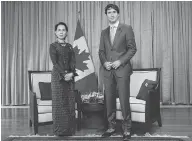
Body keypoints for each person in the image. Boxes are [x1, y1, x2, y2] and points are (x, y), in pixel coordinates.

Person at [98, 4, 137, 141]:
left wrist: (120, 61)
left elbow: (132, 49)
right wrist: (104, 63)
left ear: (118, 14)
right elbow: (101, 52)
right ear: (106, 15)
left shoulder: (126, 28)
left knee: (124, 99)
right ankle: (111, 127)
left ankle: (127, 129)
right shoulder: (103, 32)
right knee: (109, 100)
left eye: (114, 12)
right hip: (108, 71)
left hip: (122, 70)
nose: (112, 14)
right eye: (109, 12)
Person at [49, 22, 77, 136]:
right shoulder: (53, 46)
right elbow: (55, 63)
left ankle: (69, 130)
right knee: (59, 103)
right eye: (59, 30)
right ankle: (59, 131)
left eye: (63, 30)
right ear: (55, 32)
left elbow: (73, 61)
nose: (61, 32)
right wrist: (64, 74)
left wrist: (71, 73)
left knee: (69, 103)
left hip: (69, 77)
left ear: (66, 32)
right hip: (58, 78)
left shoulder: (70, 46)